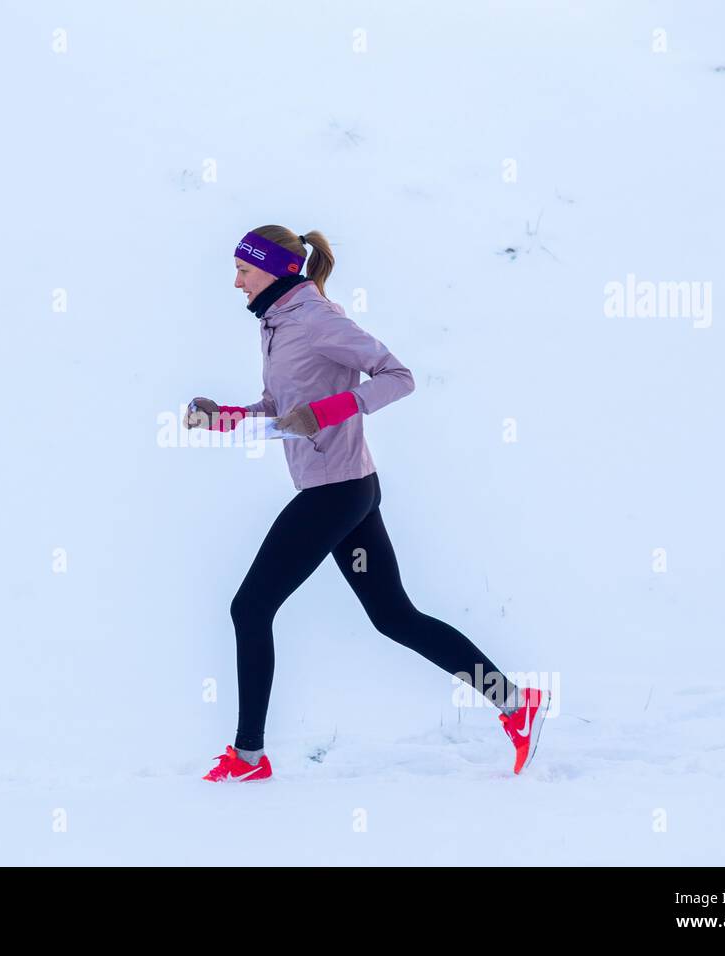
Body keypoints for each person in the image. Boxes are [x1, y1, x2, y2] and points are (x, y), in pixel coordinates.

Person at [185, 225, 550, 782]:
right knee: (394, 616)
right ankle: (515, 704)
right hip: (346, 486)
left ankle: (248, 758)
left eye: (245, 270)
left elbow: (398, 377)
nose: (235, 282)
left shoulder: (318, 320)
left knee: (250, 608)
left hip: (336, 491)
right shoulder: (278, 323)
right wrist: (226, 417)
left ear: (279, 270)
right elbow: (282, 408)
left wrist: (330, 412)